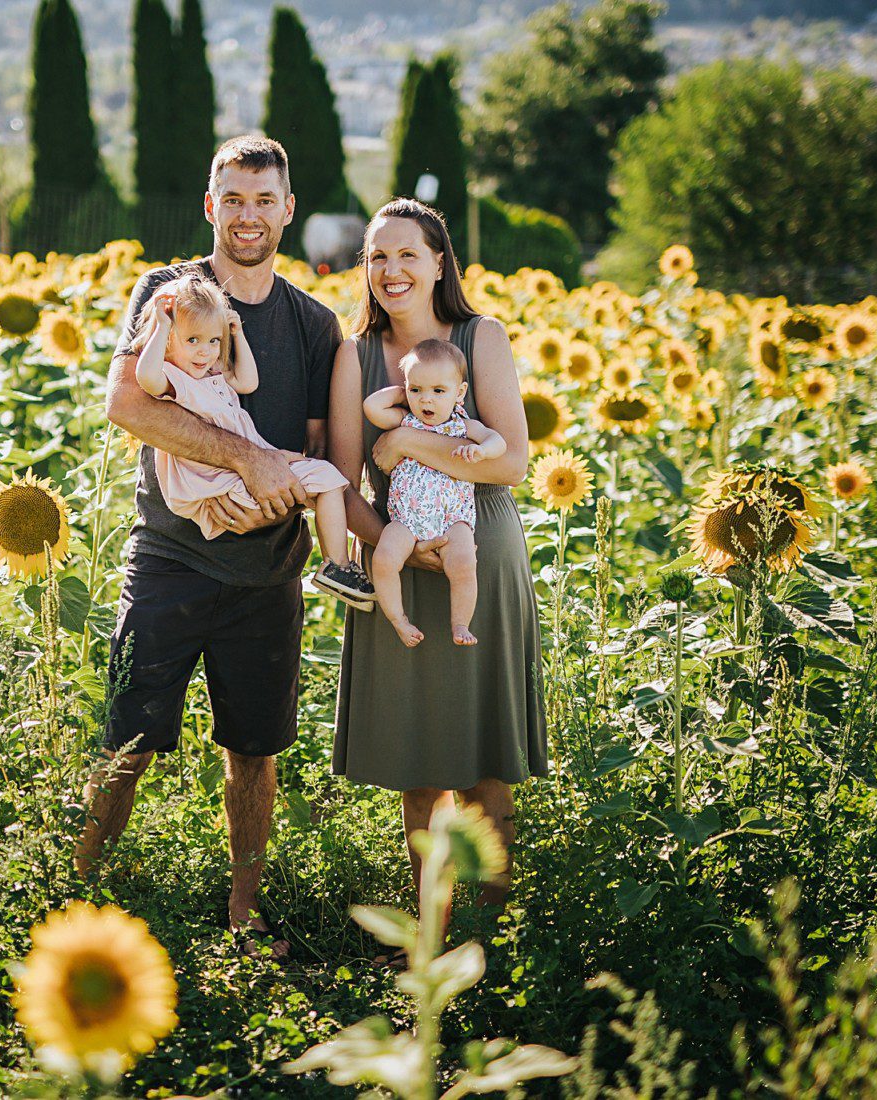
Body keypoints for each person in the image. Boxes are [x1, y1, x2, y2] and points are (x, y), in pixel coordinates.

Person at [75, 136, 344, 960]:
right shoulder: (169, 292)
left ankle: (244, 906)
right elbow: (127, 402)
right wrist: (248, 459)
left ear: (288, 210)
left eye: (264, 199)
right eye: (233, 198)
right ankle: (80, 886)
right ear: (210, 207)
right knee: (128, 737)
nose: (249, 215)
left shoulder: (311, 324)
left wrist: (274, 498)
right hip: (169, 558)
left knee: (254, 753)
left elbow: (314, 445)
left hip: (266, 573)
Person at [329, 198, 550, 961]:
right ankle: (431, 937)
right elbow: (348, 480)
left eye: (407, 255)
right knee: (419, 766)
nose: (391, 271)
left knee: (489, 761)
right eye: (377, 257)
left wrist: (413, 444)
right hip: (395, 556)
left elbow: (512, 461)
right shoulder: (354, 355)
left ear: (438, 262)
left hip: (476, 551)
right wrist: (394, 541)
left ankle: (495, 930)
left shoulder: (480, 336)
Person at [130, 273, 374, 606]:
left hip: (249, 470)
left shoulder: (212, 373)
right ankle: (341, 562)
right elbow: (145, 377)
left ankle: (336, 564)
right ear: (170, 340)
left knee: (329, 479)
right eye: (192, 341)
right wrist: (161, 325)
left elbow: (247, 381)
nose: (205, 351)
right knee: (317, 482)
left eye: (213, 341)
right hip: (220, 484)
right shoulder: (176, 380)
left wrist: (236, 334)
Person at [361, 338, 506, 646]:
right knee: (385, 558)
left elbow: (498, 442)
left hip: (453, 519)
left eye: (438, 391)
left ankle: (460, 624)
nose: (426, 400)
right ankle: (398, 619)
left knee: (464, 563)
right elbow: (372, 408)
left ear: (460, 393)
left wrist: (482, 452)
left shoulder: (463, 427)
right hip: (406, 519)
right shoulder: (406, 420)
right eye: (417, 390)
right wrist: (403, 392)